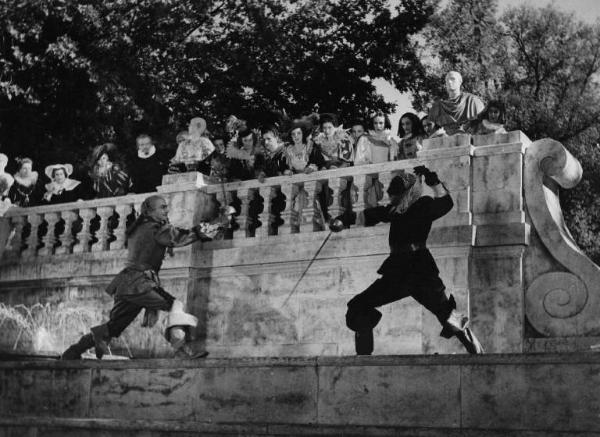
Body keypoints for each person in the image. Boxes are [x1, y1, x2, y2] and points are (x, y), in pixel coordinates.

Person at [329, 166, 484, 356]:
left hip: (421, 272)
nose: (392, 198)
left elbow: (446, 203)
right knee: (358, 306)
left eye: (396, 194)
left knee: (448, 315)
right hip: (397, 273)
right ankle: (364, 361)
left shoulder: (424, 205)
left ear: (408, 192)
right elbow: (370, 215)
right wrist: (343, 220)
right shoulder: (394, 211)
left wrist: (432, 180)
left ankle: (478, 353)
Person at [61, 195, 228, 360]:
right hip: (139, 283)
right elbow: (183, 236)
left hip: (127, 285)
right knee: (175, 305)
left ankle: (74, 351)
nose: (166, 210)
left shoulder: (140, 228)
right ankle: (181, 350)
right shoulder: (155, 228)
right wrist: (220, 221)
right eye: (162, 207)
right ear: (149, 211)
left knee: (114, 326)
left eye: (166, 206)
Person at [428, 71, 485, 135]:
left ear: (460, 82)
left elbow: (482, 124)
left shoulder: (472, 101)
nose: (449, 82)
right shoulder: (438, 107)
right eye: (447, 80)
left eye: (453, 79)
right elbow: (431, 130)